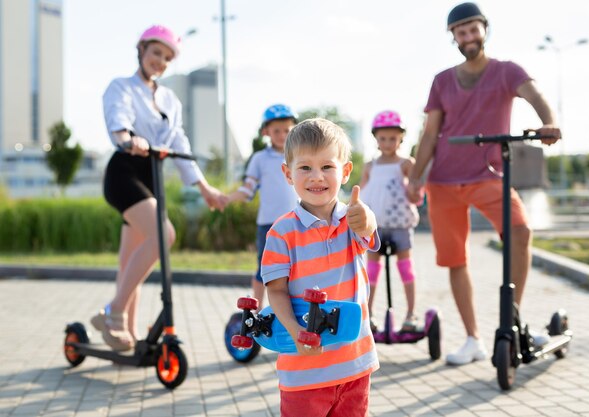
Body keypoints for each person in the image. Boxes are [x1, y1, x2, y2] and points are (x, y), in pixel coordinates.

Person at [407, 2, 561, 366]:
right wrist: (416, 179)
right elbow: (430, 135)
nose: (468, 37)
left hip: (489, 175)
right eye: (461, 32)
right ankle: (473, 339)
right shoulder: (442, 81)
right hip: (443, 181)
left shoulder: (507, 72)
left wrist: (549, 123)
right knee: (455, 260)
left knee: (520, 233)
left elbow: (536, 96)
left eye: (473, 29)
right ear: (454, 38)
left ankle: (513, 322)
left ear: (484, 29)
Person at [91, 25, 228, 351]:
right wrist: (128, 139)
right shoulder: (121, 87)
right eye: (156, 53)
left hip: (151, 174)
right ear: (141, 50)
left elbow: (179, 140)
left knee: (131, 263)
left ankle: (128, 332)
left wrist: (205, 188)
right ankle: (115, 312)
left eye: (167, 58)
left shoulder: (169, 99)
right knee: (163, 234)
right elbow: (118, 120)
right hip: (125, 172)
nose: (160, 61)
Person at [261, 118, 380, 416]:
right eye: (305, 168)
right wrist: (295, 332)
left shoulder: (353, 220)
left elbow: (368, 228)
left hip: (355, 366)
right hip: (304, 372)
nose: (317, 177)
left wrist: (367, 219)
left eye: (327, 166)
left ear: (346, 171)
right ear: (288, 174)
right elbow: (276, 292)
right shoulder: (280, 233)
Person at [227, 104, 299, 309]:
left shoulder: (298, 155)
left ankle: (294, 310)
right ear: (266, 131)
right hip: (269, 224)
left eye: (287, 130)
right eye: (276, 130)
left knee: (297, 268)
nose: (282, 134)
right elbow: (248, 190)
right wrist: (228, 199)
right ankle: (256, 312)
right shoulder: (259, 159)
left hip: (297, 222)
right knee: (264, 268)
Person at [360, 110, 420, 333]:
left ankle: (411, 313)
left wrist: (416, 191)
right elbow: (362, 191)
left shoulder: (405, 164)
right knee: (371, 269)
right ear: (376, 139)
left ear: (401, 139)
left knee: (406, 267)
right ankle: (369, 313)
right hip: (375, 225)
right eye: (383, 138)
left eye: (393, 138)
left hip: (400, 223)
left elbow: (414, 189)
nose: (387, 143)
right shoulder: (370, 166)